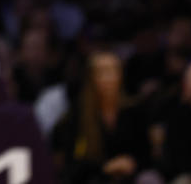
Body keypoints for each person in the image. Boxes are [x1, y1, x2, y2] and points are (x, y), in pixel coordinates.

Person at [50, 51, 156, 184]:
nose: (108, 78)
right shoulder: (78, 117)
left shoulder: (134, 112)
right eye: (101, 72)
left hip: (132, 177)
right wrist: (106, 168)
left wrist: (132, 163)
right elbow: (75, 160)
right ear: (91, 78)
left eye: (112, 71)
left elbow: (147, 155)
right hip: (95, 178)